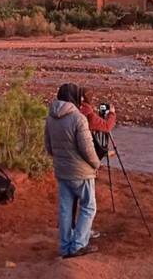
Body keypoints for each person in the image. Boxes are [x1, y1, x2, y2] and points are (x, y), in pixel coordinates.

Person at [45, 83, 101, 258]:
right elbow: (87, 148)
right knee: (88, 207)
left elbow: (49, 148)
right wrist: (96, 164)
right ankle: (78, 246)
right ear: (75, 98)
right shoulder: (78, 118)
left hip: (62, 171)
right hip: (81, 172)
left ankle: (65, 247)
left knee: (65, 209)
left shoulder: (50, 117)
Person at [78, 87, 117, 159]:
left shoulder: (75, 110)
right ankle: (102, 152)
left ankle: (102, 152)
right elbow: (107, 126)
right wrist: (112, 113)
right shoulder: (89, 115)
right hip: (84, 159)